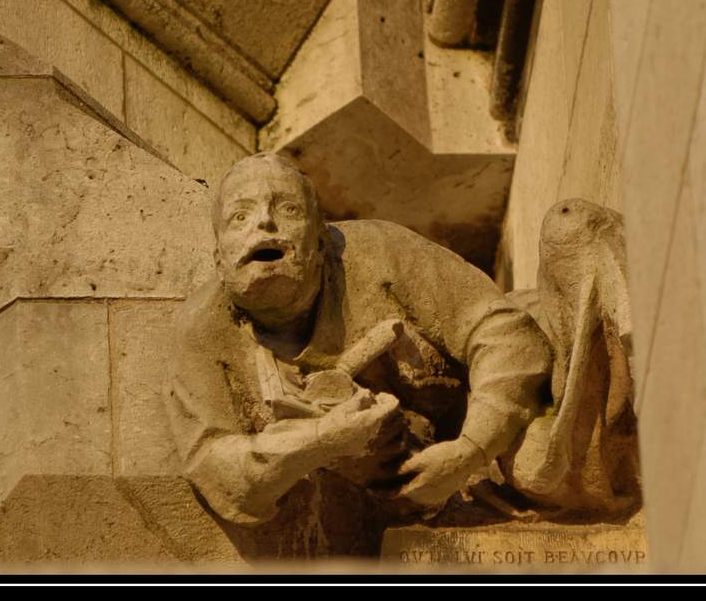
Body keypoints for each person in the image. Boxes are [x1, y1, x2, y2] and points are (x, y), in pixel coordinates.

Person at [166, 152, 552, 552]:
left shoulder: (379, 253)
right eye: (239, 217)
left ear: (319, 242)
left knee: (537, 464)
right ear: (219, 260)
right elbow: (214, 467)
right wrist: (320, 441)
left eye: (289, 209)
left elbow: (502, 331)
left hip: (491, 445)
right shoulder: (203, 331)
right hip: (378, 520)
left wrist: (471, 449)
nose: (264, 223)